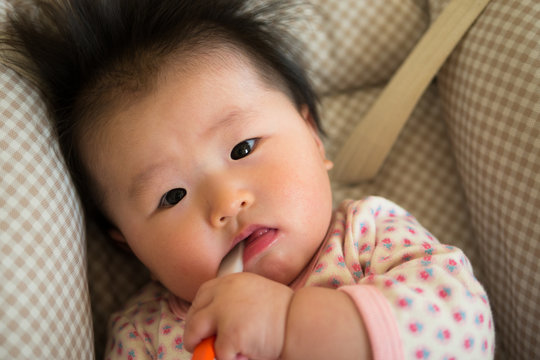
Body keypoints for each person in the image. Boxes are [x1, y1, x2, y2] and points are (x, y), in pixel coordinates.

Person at [2, 0, 495, 359]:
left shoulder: (368, 237)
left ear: (313, 140)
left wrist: (288, 327)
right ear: (130, 246)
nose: (226, 201)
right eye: (171, 196)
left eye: (242, 148)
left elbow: (461, 325)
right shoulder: (146, 335)